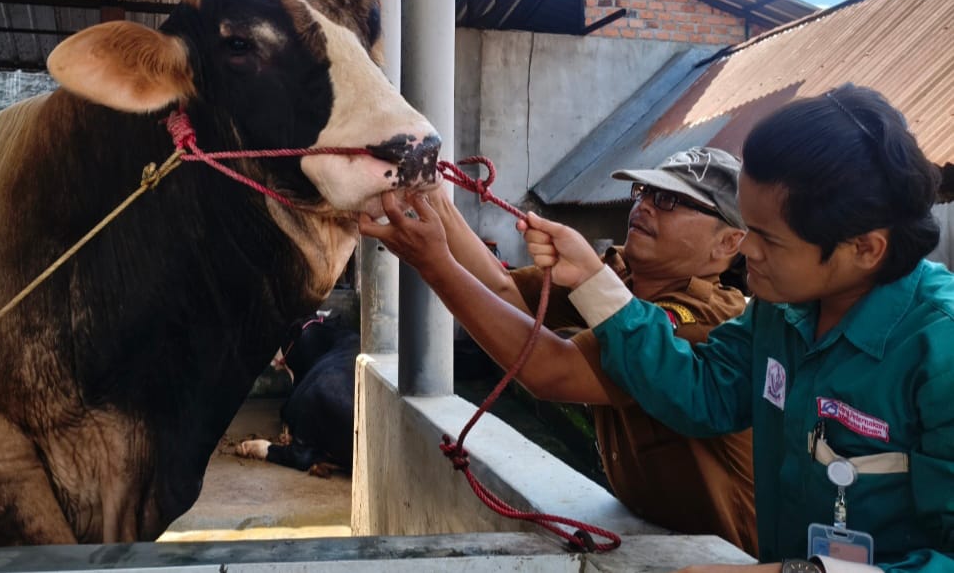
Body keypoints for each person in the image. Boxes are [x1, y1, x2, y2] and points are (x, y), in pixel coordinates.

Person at [363, 84, 954, 572]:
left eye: (767, 240)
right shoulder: (785, 309)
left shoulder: (940, 348)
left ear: (866, 248)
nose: (751, 259)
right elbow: (702, 394)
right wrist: (594, 282)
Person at [426, 147, 757, 554]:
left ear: (728, 242)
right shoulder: (621, 277)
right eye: (645, 191)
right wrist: (435, 200)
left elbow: (551, 371)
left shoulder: (704, 318)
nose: (645, 207)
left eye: (670, 200)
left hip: (729, 555)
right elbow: (504, 289)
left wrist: (429, 259)